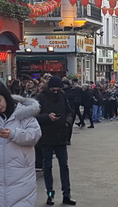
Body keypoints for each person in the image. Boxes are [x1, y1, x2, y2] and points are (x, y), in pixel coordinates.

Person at [0, 82, 42, 207]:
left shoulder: (24, 114)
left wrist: (14, 134)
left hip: (21, 173)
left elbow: (35, 135)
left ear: (6, 97)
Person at [35, 76, 76, 206]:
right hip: (47, 137)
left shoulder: (62, 96)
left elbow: (70, 112)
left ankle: (67, 194)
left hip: (61, 136)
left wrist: (67, 123)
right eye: (54, 90)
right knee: (47, 166)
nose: (56, 92)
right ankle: (50, 194)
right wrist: (47, 117)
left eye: (58, 90)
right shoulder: (41, 97)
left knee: (64, 166)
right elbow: (34, 115)